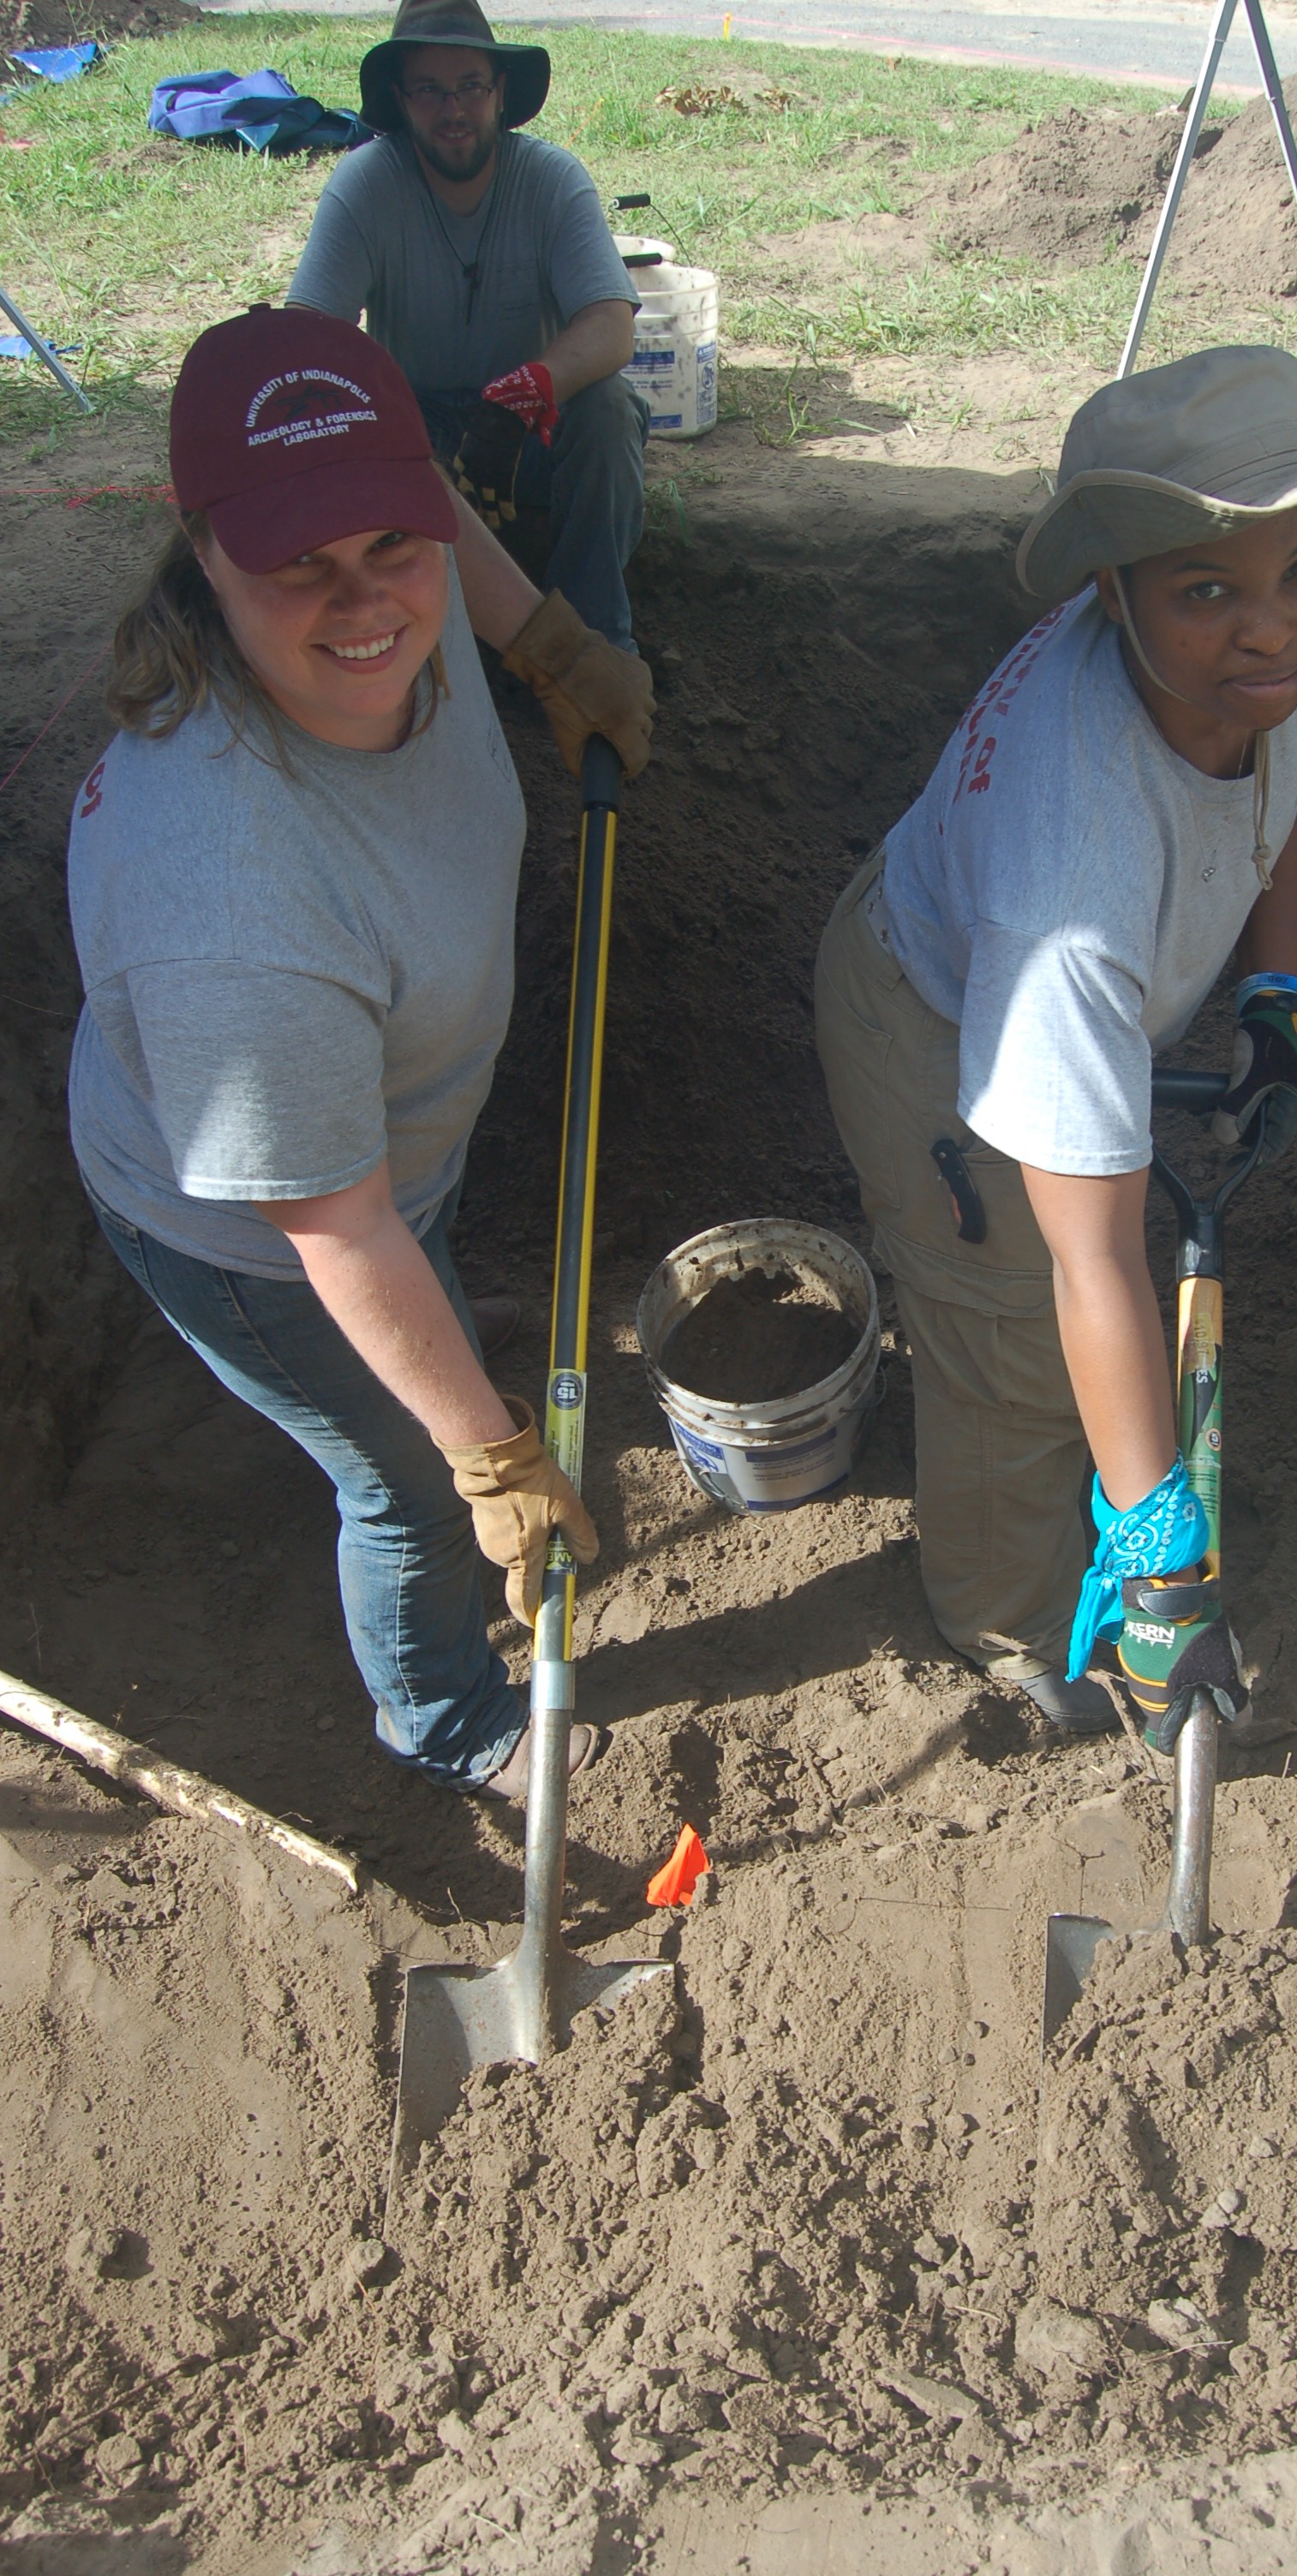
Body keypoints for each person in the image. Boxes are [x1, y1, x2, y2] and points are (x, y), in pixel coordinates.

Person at [66, 305, 653, 1803]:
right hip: (261, 1234)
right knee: (398, 1477)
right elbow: (334, 1223)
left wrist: (550, 642)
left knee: (415, 1284)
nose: (368, 599)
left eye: (391, 543)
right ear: (206, 550)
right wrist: (495, 1465)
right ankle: (448, 1716)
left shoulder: (396, 552)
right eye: (301, 568)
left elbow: (429, 518)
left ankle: (437, 1349)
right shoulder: (229, 896)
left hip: (375, 1138)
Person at [814, 348, 1297, 1744]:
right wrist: (1165, 1567)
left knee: (1074, 1318)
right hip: (933, 1015)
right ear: (1117, 592)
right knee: (1018, 1338)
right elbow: (1093, 1257)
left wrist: (1276, 997)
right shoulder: (1069, 893)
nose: (1275, 628)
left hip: (1040, 964)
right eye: (1208, 590)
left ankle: (1084, 1564)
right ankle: (1009, 1626)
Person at [288, 0, 648, 650]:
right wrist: (389, 434)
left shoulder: (551, 178)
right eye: (428, 90)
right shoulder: (364, 185)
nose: (453, 110)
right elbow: (307, 338)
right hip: (413, 428)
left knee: (610, 411)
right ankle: (427, 644)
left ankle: (595, 644)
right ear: (400, 99)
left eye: (470, 87)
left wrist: (522, 394)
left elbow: (611, 325)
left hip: (536, 422)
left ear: (500, 91)